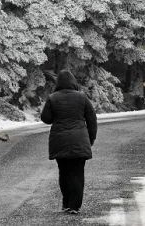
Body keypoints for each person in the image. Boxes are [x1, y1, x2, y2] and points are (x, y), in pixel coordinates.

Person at [40, 70, 98, 215]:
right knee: (77, 173)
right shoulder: (82, 97)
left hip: (59, 140)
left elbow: (45, 118)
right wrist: (90, 139)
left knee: (64, 172)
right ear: (73, 82)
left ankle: (66, 203)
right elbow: (92, 120)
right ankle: (75, 206)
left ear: (58, 83)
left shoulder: (52, 98)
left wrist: (57, 115)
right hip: (80, 139)